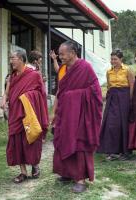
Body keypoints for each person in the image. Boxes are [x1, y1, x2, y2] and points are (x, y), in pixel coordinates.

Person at [53, 41, 103, 193]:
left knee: (79, 143)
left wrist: (73, 97)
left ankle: (80, 179)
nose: (60, 57)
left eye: (62, 54)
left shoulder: (85, 67)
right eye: (59, 54)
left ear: (73, 53)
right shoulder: (62, 69)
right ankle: (67, 173)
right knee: (63, 139)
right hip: (66, 112)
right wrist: (54, 112)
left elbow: (95, 91)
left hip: (81, 113)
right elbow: (60, 91)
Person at [1, 50, 49, 183]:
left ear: (21, 59)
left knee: (31, 139)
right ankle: (23, 172)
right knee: (16, 141)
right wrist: (4, 99)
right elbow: (7, 93)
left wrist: (27, 97)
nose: (11, 61)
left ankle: (35, 165)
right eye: (10, 58)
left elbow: (41, 94)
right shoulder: (12, 77)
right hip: (15, 113)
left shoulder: (34, 75)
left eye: (13, 58)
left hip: (29, 113)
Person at [97, 49, 134, 161]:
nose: (113, 61)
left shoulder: (127, 70)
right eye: (112, 59)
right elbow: (109, 86)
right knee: (110, 123)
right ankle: (112, 151)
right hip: (112, 98)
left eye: (115, 59)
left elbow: (132, 85)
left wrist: (130, 100)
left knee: (123, 124)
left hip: (124, 98)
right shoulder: (109, 72)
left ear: (121, 59)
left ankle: (125, 152)